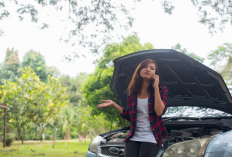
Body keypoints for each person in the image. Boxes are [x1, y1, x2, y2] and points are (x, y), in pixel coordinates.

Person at [97, 59, 168, 157]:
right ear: (139, 70)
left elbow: (159, 112)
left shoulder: (161, 89)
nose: (148, 69)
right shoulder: (132, 92)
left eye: (152, 68)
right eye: (145, 66)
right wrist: (114, 104)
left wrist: (156, 88)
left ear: (155, 74)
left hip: (151, 137)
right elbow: (130, 116)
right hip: (134, 136)